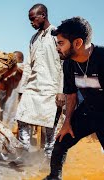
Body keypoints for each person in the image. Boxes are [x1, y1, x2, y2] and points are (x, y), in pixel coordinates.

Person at [44, 16, 104, 180]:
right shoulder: (69, 63)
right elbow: (71, 93)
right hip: (90, 110)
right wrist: (67, 122)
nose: (57, 47)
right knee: (61, 142)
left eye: (61, 43)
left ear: (77, 43)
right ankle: (53, 177)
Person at [14, 3, 65, 159]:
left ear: (43, 15)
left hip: (52, 88)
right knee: (22, 117)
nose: (31, 23)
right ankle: (24, 153)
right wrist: (23, 89)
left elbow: (64, 65)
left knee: (51, 126)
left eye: (33, 19)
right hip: (33, 87)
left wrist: (61, 91)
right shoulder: (33, 39)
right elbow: (29, 65)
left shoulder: (58, 35)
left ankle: (50, 159)